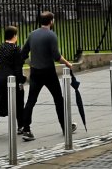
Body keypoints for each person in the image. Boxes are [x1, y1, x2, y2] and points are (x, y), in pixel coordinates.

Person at [18, 11, 74, 140]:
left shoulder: (32, 34)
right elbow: (56, 56)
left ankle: (26, 129)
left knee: (31, 100)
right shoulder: (51, 35)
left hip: (35, 72)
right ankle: (65, 127)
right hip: (48, 72)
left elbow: (24, 53)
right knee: (58, 99)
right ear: (51, 21)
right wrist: (68, 64)